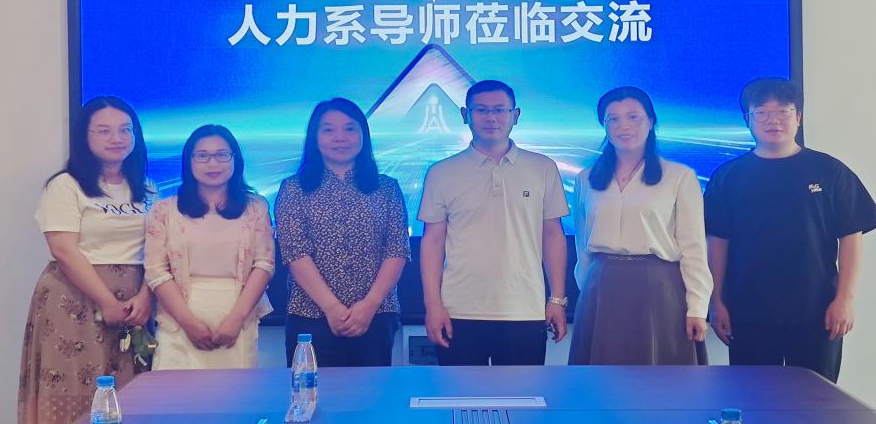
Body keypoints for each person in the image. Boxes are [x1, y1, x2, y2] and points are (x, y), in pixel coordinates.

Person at [705, 77, 876, 383]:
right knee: (754, 398)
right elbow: (718, 241)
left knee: (816, 399)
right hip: (749, 311)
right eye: (762, 112)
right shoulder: (728, 176)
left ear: (798, 117)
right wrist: (717, 301)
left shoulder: (830, 171)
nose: (773, 120)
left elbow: (851, 238)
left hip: (817, 310)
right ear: (748, 119)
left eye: (783, 111)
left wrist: (845, 299)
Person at [18, 96, 155, 424]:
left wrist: (146, 296)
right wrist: (106, 301)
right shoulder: (65, 185)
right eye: (104, 131)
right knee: (74, 385)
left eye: (125, 130)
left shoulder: (147, 188)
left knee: (129, 391)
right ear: (84, 136)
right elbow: (63, 249)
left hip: (133, 302)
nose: (116, 138)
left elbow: (158, 248)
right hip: (75, 299)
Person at [418, 80, 569, 366]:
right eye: (481, 110)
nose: (491, 118)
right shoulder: (441, 172)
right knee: (458, 393)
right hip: (458, 310)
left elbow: (552, 235)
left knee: (523, 394)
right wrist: (432, 305)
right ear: (465, 115)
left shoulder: (543, 168)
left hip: (525, 309)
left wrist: (557, 299)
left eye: (500, 110)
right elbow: (432, 242)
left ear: (516, 115)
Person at [568, 86, 712, 365]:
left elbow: (693, 248)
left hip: (659, 287)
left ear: (651, 121)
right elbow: (582, 245)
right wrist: (588, 292)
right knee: (599, 378)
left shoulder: (679, 177)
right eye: (613, 119)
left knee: (658, 379)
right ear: (604, 125)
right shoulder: (586, 179)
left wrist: (697, 306)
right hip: (601, 287)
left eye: (633, 117)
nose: (624, 126)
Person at [274, 98, 410, 367]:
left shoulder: (387, 188)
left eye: (349, 129)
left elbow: (397, 249)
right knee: (312, 391)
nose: (340, 137)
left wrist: (369, 305)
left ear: (363, 135)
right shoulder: (293, 189)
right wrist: (332, 307)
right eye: (328, 130)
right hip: (310, 315)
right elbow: (295, 252)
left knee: (372, 391)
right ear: (314, 138)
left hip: (376, 314)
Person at [145, 125, 274, 369]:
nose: (212, 163)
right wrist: (188, 323)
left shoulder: (256, 208)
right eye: (202, 155)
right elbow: (155, 271)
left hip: (236, 315)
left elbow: (264, 264)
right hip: (179, 318)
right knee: (177, 391)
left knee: (235, 390)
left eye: (222, 155)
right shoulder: (164, 210)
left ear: (235, 159)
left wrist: (236, 319)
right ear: (189, 161)